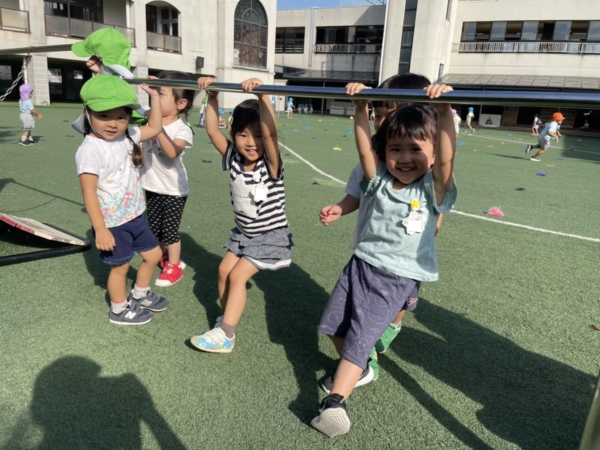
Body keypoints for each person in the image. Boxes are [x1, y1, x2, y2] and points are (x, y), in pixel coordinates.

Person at [311, 84, 457, 438]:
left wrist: (444, 111)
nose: (404, 158)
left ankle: (336, 402)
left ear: (433, 155)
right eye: (395, 149)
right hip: (360, 264)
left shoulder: (432, 188)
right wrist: (360, 108)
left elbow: (447, 160)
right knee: (334, 327)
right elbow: (363, 148)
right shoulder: (379, 180)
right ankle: (361, 367)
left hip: (396, 277)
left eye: (415, 149)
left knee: (360, 338)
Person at [190, 77, 293, 353]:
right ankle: (226, 320)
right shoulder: (234, 159)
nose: (251, 142)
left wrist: (264, 97)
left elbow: (270, 136)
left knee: (237, 276)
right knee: (223, 271)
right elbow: (212, 130)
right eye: (243, 135)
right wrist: (212, 97)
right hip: (245, 234)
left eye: (257, 135)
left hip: (269, 236)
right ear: (233, 133)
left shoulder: (270, 165)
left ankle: (226, 334)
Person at [75, 75, 169, 325]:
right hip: (113, 223)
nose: (113, 123)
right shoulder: (90, 150)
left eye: (121, 116)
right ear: (87, 113)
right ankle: (118, 309)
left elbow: (155, 127)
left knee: (153, 255)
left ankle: (140, 292)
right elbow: (88, 192)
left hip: (135, 215)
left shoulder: (128, 135)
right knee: (121, 267)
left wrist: (155, 96)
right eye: (104, 115)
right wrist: (100, 229)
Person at [140, 71, 194, 287]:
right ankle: (161, 256)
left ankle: (174, 265)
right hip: (151, 186)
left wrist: (156, 127)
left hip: (174, 190)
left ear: (181, 103)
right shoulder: (147, 115)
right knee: (155, 230)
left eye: (161, 94)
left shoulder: (182, 129)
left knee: (170, 232)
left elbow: (172, 152)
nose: (154, 97)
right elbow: (126, 105)